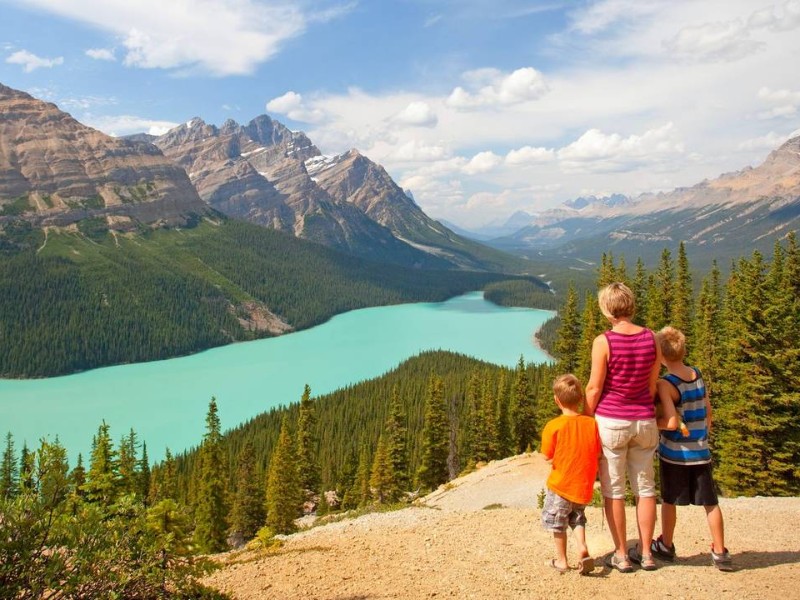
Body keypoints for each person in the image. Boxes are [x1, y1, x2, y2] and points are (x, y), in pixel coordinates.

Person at [584, 282, 662, 573]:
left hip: (612, 421)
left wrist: (584, 418)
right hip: (644, 420)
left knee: (614, 490)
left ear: (607, 310)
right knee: (645, 489)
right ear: (631, 305)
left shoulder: (604, 341)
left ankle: (621, 555)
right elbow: (653, 384)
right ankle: (647, 553)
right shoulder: (652, 338)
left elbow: (594, 388)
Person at [651, 326, 733, 571]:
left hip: (675, 454)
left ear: (661, 356)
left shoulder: (666, 384)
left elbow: (672, 422)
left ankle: (666, 544)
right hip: (701, 452)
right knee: (710, 502)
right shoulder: (697, 374)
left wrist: (651, 423)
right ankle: (720, 552)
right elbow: (708, 412)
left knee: (669, 501)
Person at [540, 374, 601, 575]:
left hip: (560, 485)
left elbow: (546, 455)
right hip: (582, 485)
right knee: (577, 518)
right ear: (581, 398)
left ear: (557, 400)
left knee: (558, 523)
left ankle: (562, 561)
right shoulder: (591, 424)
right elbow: (597, 451)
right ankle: (582, 547)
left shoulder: (553, 426)